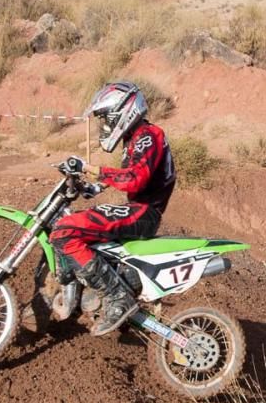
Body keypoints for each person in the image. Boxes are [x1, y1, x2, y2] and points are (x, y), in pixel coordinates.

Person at [49, 82, 176, 335]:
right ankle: (85, 289)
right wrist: (92, 188)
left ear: (124, 110)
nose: (104, 125)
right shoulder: (136, 138)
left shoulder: (148, 136)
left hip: (144, 213)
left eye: (107, 118)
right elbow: (132, 178)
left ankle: (118, 297)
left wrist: (91, 169)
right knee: (69, 221)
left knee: (64, 230)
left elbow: (134, 179)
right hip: (138, 209)